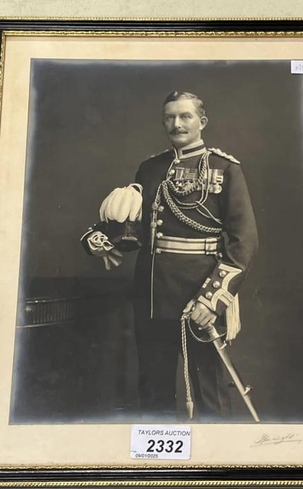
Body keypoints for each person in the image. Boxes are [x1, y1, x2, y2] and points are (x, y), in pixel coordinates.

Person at [81, 91, 258, 421]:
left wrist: (212, 300)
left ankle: (214, 463)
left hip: (200, 296)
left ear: (201, 122)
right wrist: (97, 237)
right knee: (153, 390)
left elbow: (244, 242)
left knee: (210, 393)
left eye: (185, 116)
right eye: (169, 117)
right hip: (151, 296)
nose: (177, 124)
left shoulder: (225, 168)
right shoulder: (150, 170)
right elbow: (133, 228)